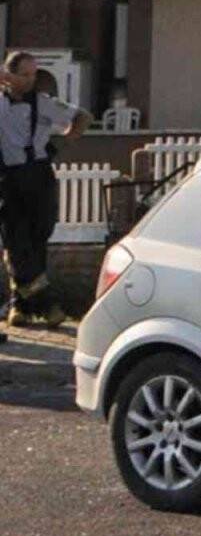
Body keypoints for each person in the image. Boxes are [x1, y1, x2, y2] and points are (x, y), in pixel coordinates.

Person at [0, 51, 91, 332]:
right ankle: (47, 304)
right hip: (9, 178)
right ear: (9, 75)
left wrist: (61, 144)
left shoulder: (44, 104)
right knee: (16, 242)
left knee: (38, 238)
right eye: (24, 74)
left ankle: (22, 305)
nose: (30, 80)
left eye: (33, 74)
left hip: (39, 176)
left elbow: (83, 117)